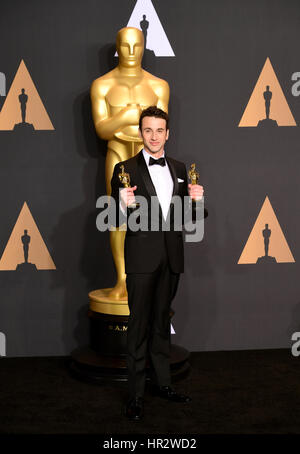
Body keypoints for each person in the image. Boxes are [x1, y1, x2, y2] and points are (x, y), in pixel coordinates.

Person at [110, 106, 206, 421]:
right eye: (148, 130)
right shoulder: (125, 169)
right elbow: (115, 215)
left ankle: (163, 384)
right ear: (141, 133)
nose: (154, 136)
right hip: (141, 259)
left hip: (171, 258)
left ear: (168, 134)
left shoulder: (180, 168)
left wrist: (197, 200)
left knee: (161, 324)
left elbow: (190, 217)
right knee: (137, 327)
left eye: (159, 130)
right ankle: (135, 396)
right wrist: (121, 204)